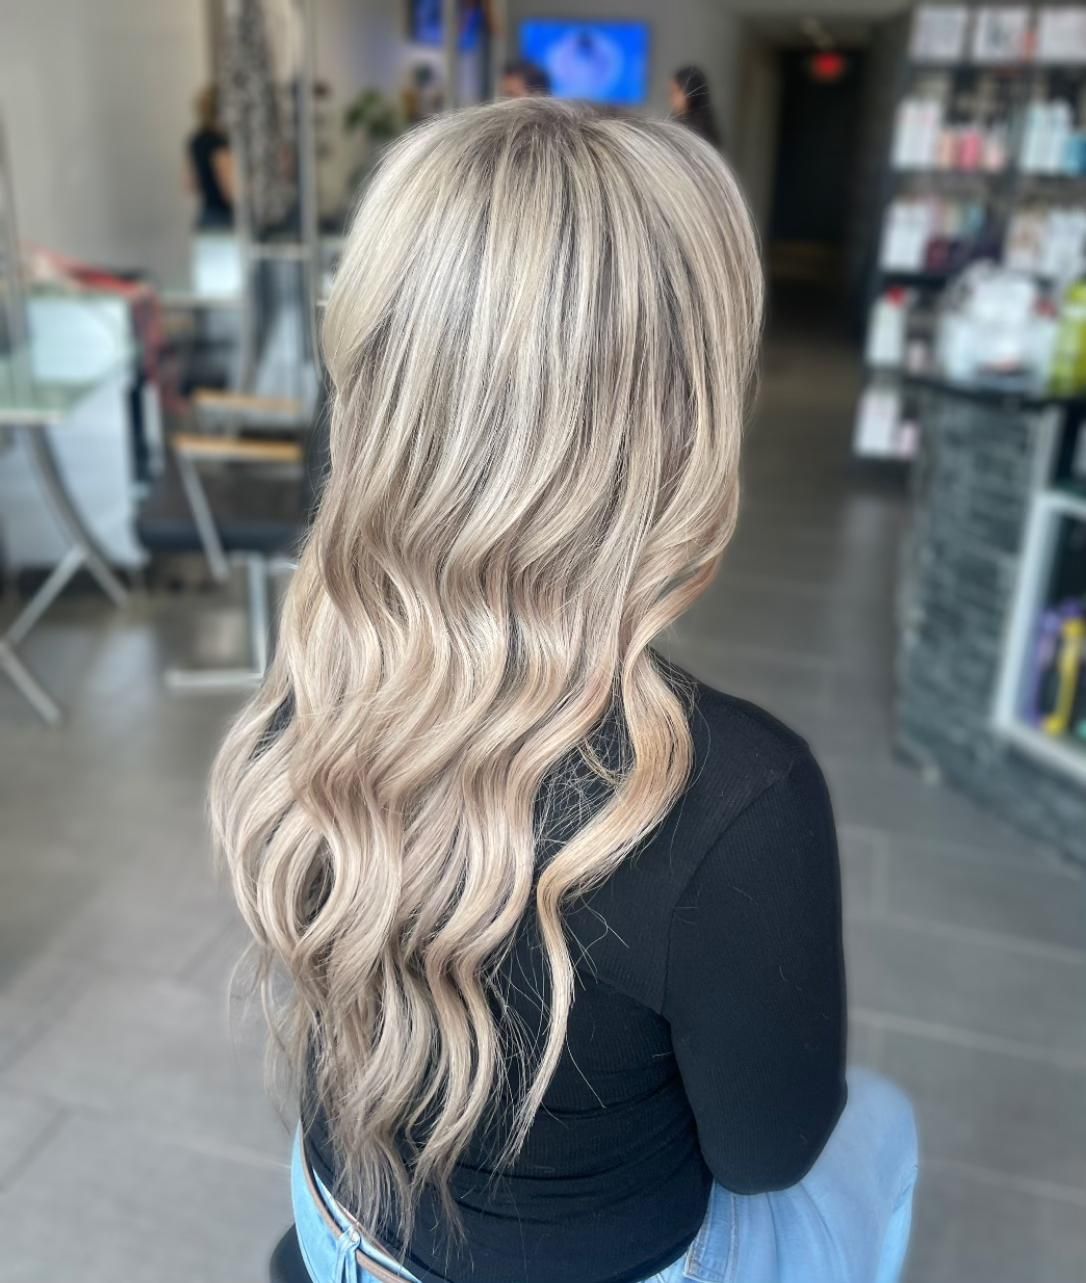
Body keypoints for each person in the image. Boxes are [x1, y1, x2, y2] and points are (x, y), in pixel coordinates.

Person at [211, 99, 917, 1283]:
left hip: (337, 1222)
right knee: (884, 1125)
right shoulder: (737, 796)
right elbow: (764, 1153)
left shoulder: (316, 683)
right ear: (678, 426)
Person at [185, 85, 235, 229]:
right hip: (223, 220)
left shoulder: (195, 140)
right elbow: (230, 191)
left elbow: (189, 184)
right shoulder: (219, 143)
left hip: (205, 217)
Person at [670, 65, 722, 149]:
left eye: (675, 92)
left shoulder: (696, 135)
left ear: (689, 93)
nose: (671, 98)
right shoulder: (678, 123)